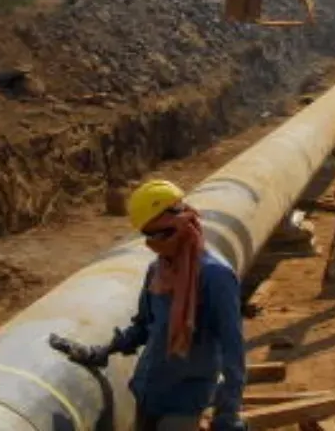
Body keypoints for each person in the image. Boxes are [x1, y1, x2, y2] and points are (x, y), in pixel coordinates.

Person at [49, 179, 247, 431]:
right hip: (149, 392)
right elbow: (143, 327)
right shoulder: (158, 271)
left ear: (182, 222)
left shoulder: (215, 276)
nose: (154, 244)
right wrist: (102, 351)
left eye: (159, 234)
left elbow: (233, 349)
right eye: (148, 236)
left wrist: (228, 413)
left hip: (185, 401)